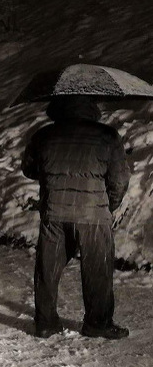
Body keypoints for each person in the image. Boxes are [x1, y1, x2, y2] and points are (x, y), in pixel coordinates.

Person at [21, 96, 131, 339]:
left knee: (47, 269)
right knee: (98, 271)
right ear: (91, 108)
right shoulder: (107, 136)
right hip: (94, 215)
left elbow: (29, 169)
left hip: (55, 213)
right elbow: (120, 179)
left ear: (60, 107)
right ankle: (97, 324)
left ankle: (46, 323)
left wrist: (53, 173)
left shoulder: (44, 135)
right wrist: (108, 205)